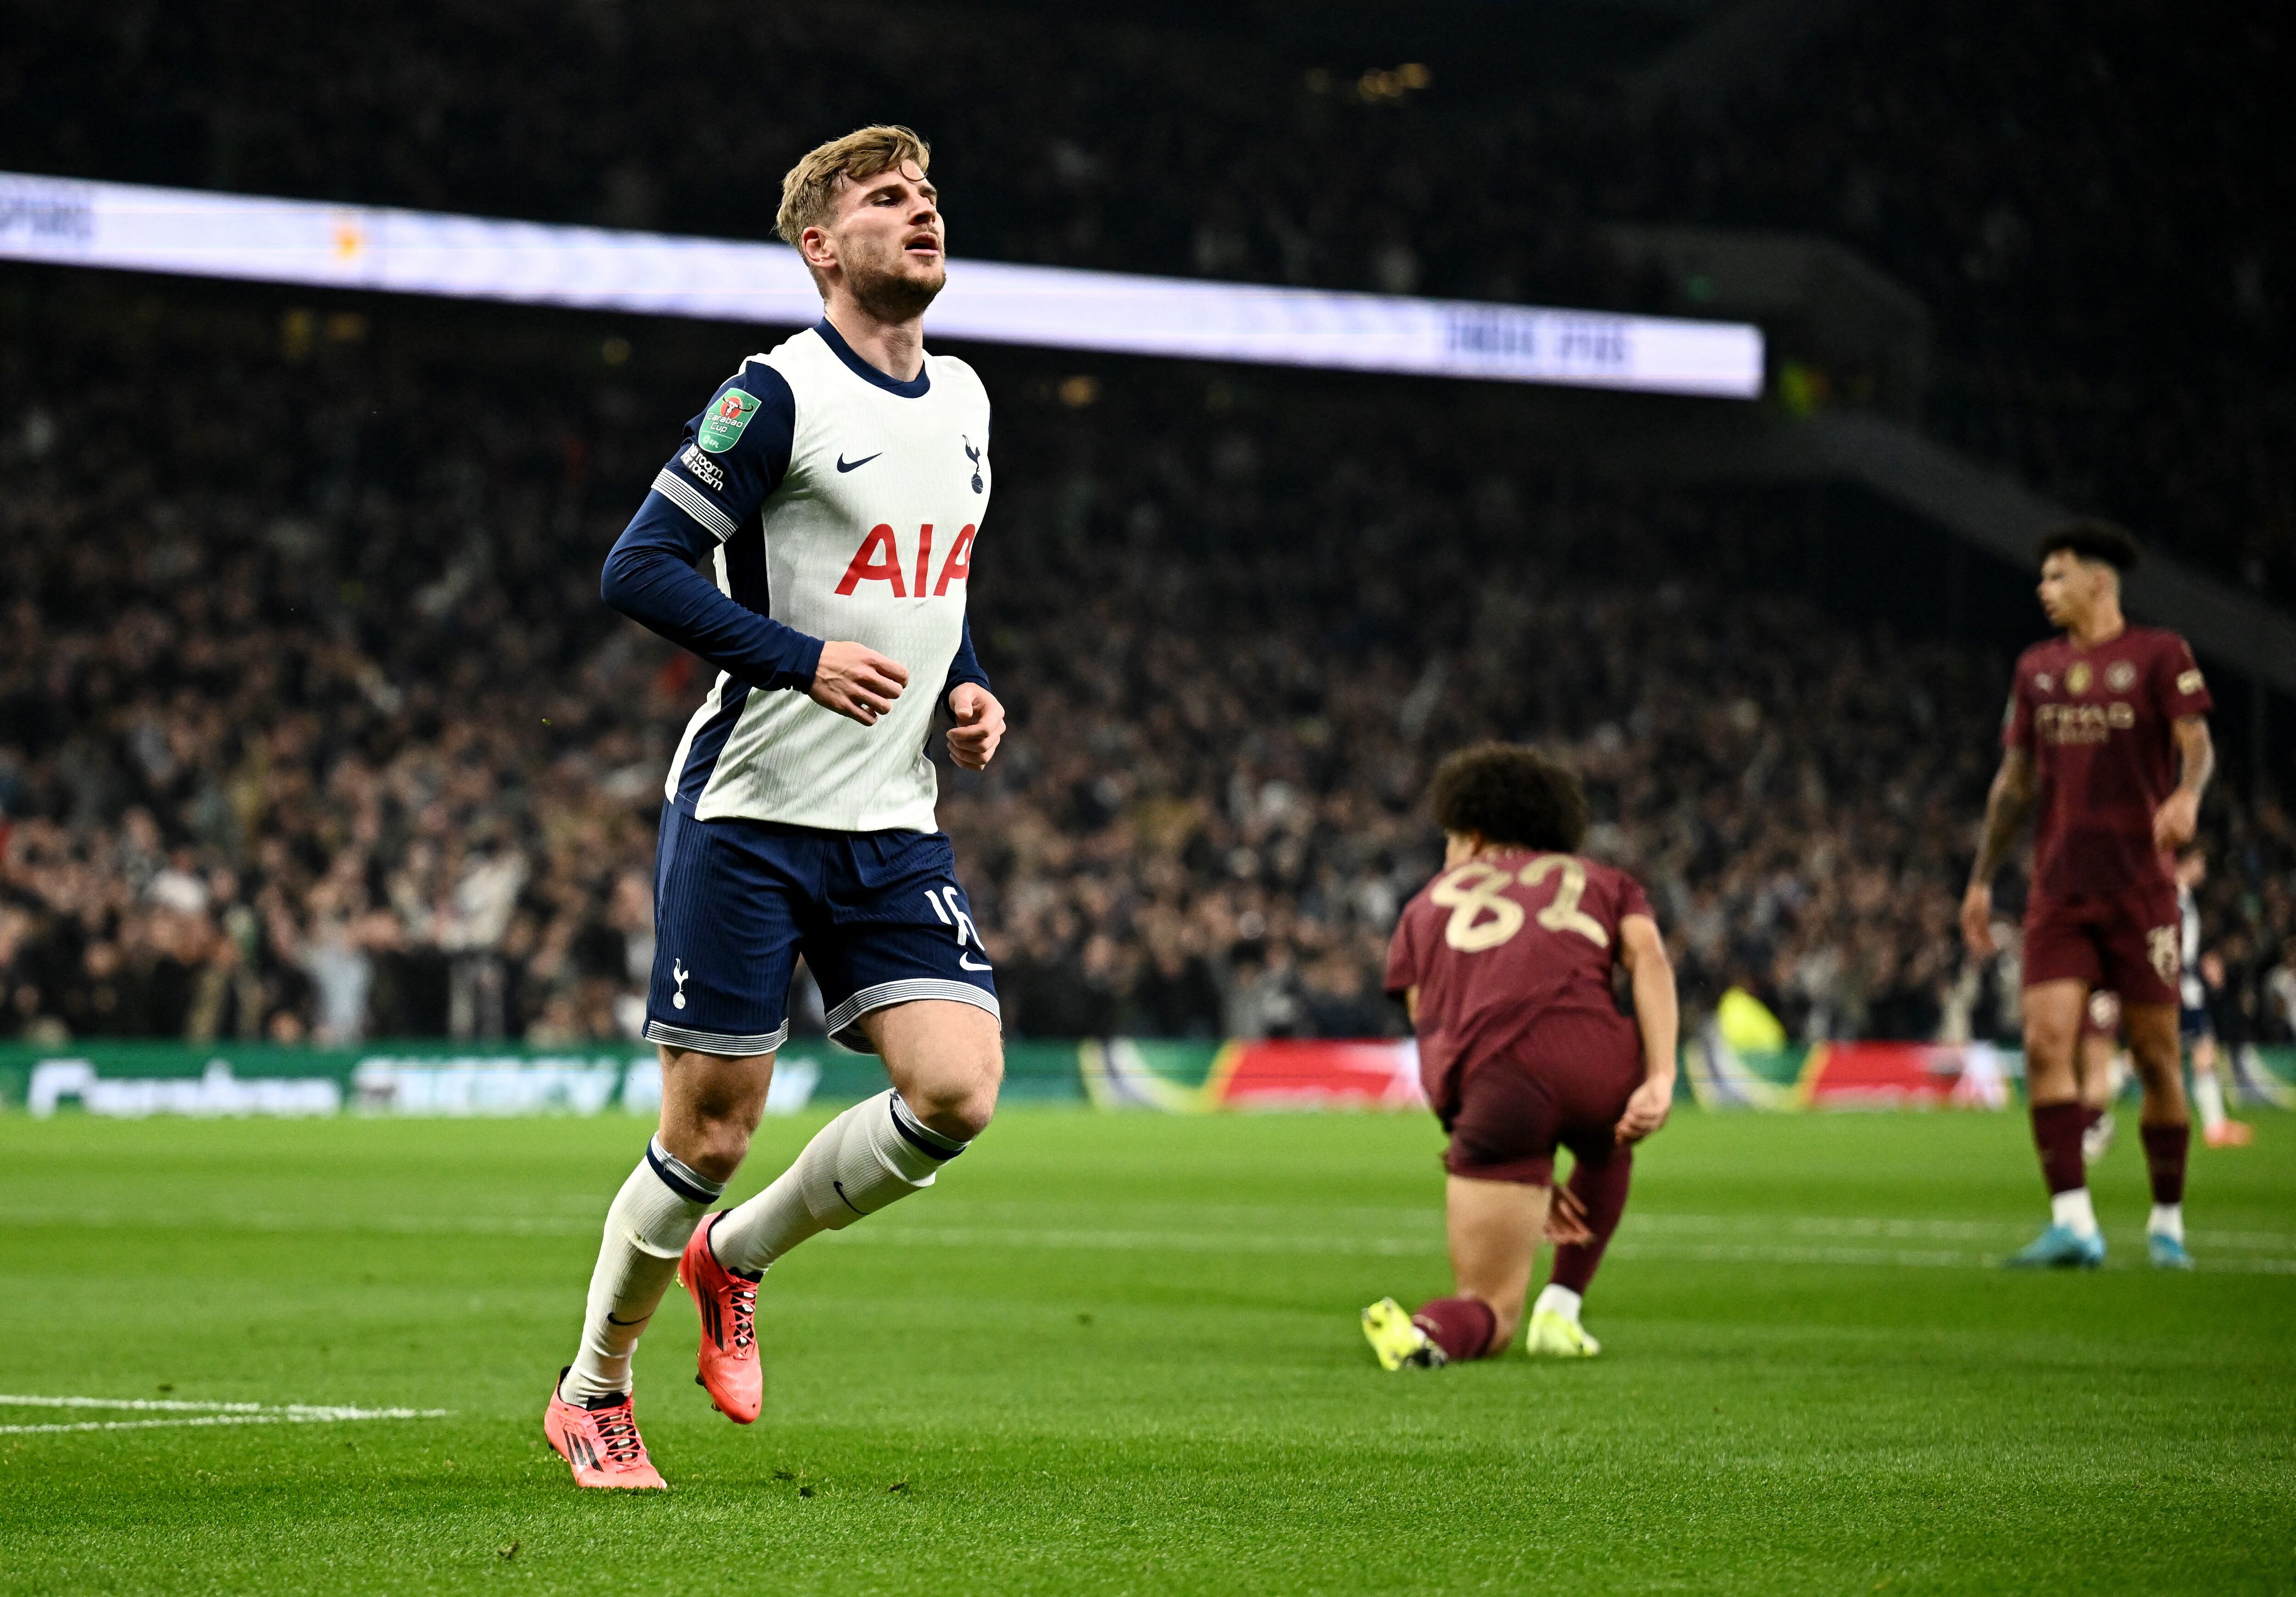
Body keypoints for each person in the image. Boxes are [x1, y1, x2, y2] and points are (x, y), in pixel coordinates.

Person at [543, 125, 1009, 1489]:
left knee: (957, 1090)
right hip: (749, 812)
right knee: (709, 1132)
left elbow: (931, 585)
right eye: (886, 198)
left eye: (927, 193)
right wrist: (800, 659)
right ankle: (592, 1388)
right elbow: (640, 565)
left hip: (891, 817)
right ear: (820, 246)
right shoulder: (774, 394)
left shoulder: (967, 397)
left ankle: (733, 1257)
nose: (921, 211)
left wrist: (968, 683)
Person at [1361, 743, 1677, 1368]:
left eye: (1450, 840)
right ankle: (1561, 1309)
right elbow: (1649, 958)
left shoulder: (1426, 905)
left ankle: (1426, 1333)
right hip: (1597, 1067)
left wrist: (1497, 1151)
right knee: (1609, 1141)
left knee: (1490, 1306)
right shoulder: (1605, 882)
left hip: (1496, 1090)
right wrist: (1661, 1075)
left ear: (1474, 837)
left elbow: (1434, 1032)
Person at [1962, 522, 2214, 1270]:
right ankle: (2074, 1223)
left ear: (2098, 582)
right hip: (2059, 891)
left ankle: (2167, 1223)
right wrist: (1981, 878)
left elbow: (2197, 743)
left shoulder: (2160, 654)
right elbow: (2015, 784)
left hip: (2141, 889)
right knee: (2046, 1044)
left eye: (2057, 576)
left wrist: (2188, 796)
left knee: (2158, 1057)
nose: (2044, 589)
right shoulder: (2036, 670)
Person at [2175, 846, 2251, 1147]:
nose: (2203, 868)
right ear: (2186, 862)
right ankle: (2095, 1109)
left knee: (2203, 1048)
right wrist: (2193, 971)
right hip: (2181, 990)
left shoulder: (2182, 898)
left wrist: (2202, 964)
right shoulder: (2173, 898)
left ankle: (2216, 1126)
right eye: (2200, 861)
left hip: (2186, 987)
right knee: (2154, 1053)